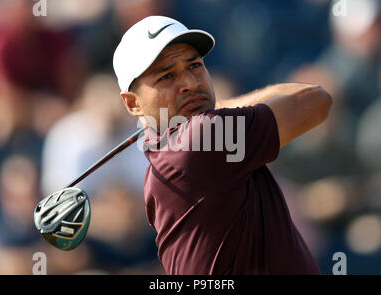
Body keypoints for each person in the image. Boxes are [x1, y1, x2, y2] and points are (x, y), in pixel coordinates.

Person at [113, 16, 332, 274]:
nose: (191, 84)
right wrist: (214, 110)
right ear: (132, 103)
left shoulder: (165, 150)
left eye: (194, 66)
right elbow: (316, 99)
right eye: (167, 76)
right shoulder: (203, 138)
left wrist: (208, 111)